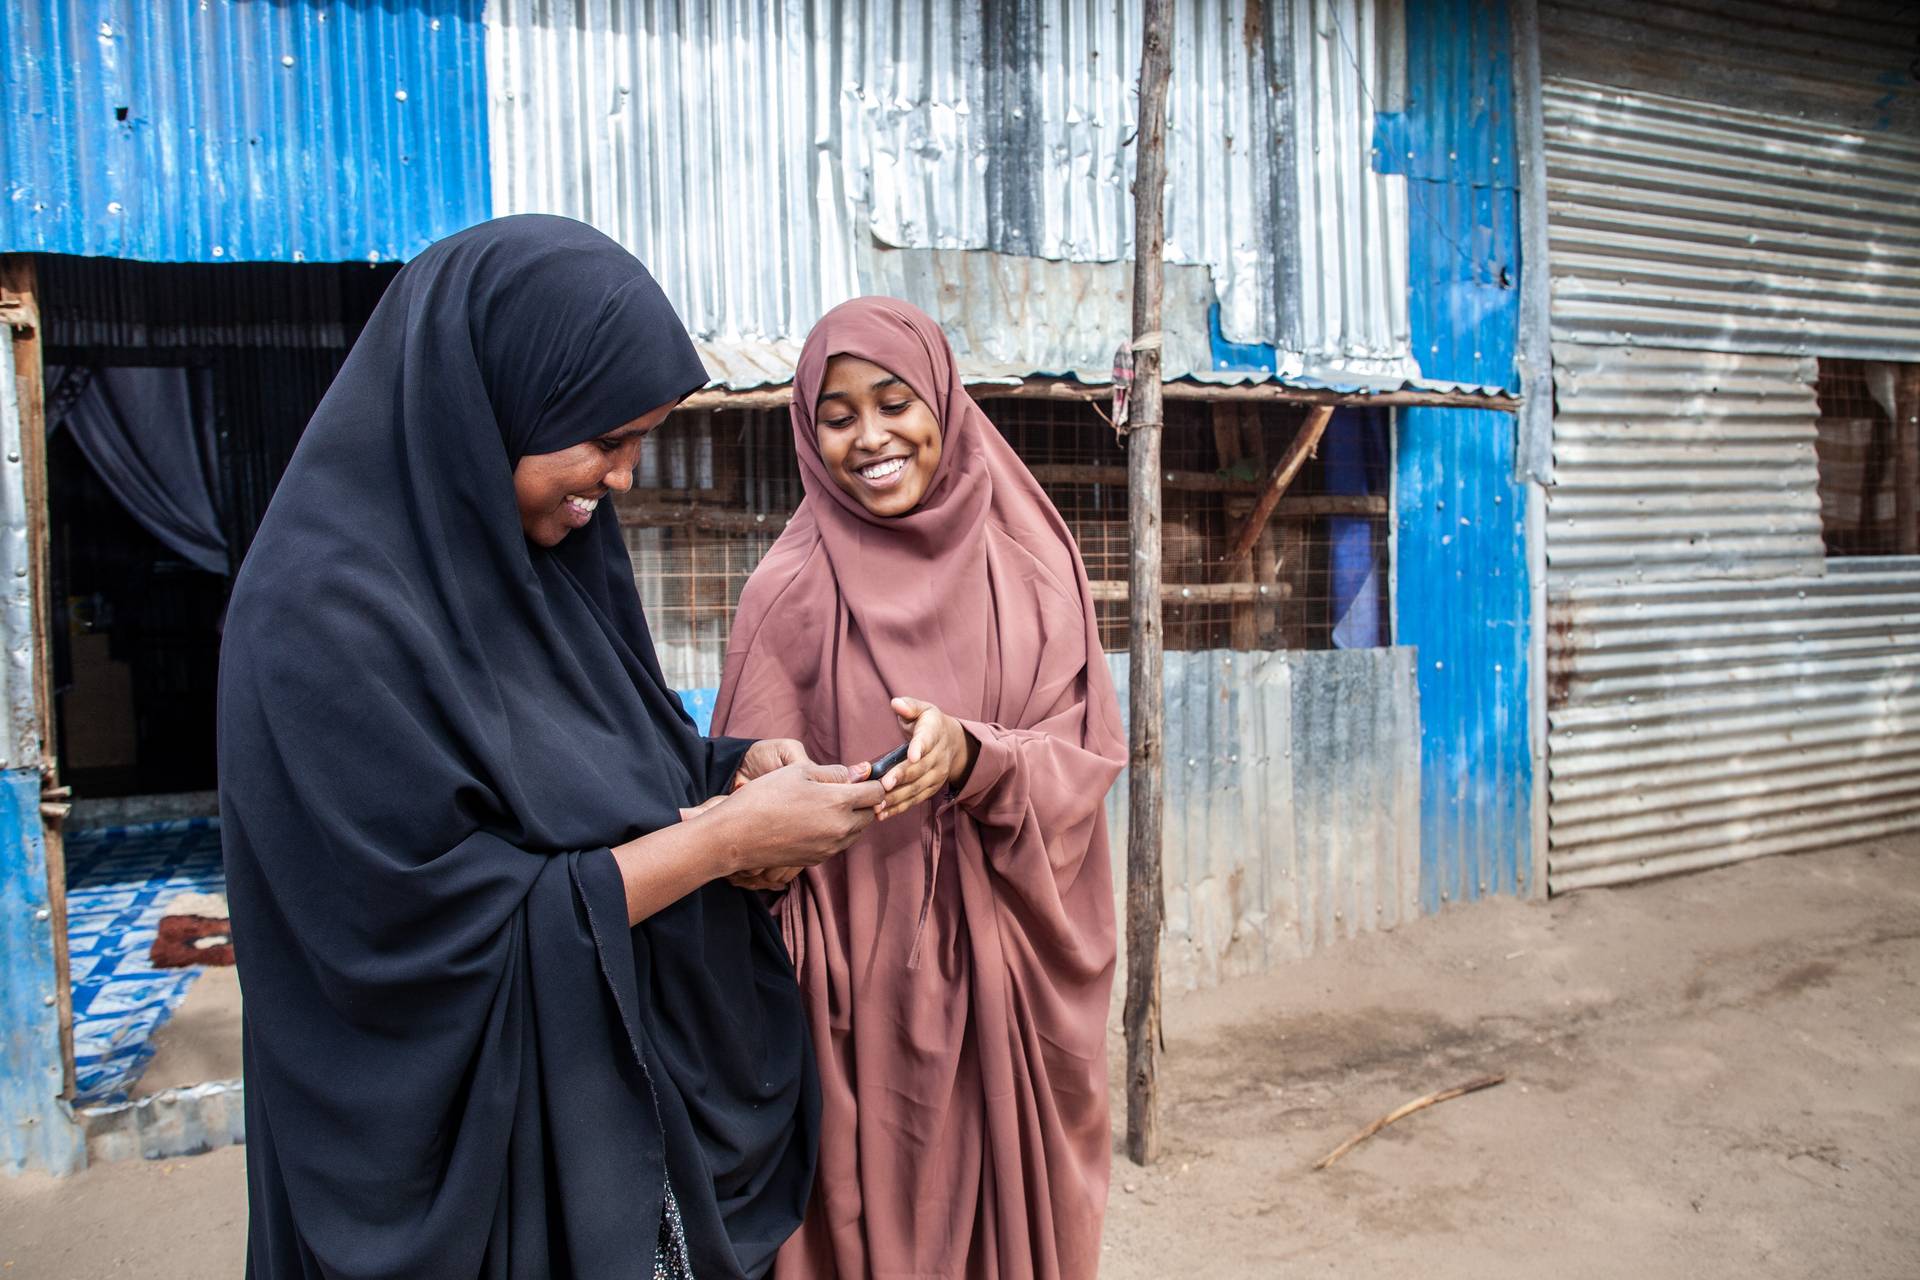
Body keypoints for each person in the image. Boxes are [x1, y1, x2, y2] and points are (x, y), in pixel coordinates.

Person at [218, 216, 885, 1280]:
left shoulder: (555, 562)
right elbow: (417, 936)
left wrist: (728, 771)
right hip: (450, 1163)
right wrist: (719, 845)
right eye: (603, 440)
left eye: (640, 442)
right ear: (492, 405)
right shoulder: (320, 618)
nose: (621, 478)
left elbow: (600, 764)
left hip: (608, 1117)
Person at [711, 298, 1128, 1279]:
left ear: (943, 398)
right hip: (850, 1008)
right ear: (808, 435)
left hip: (1005, 988)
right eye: (839, 414)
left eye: (894, 401)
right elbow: (746, 822)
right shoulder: (789, 594)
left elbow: (1083, 762)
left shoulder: (1030, 571)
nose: (871, 437)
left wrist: (976, 757)